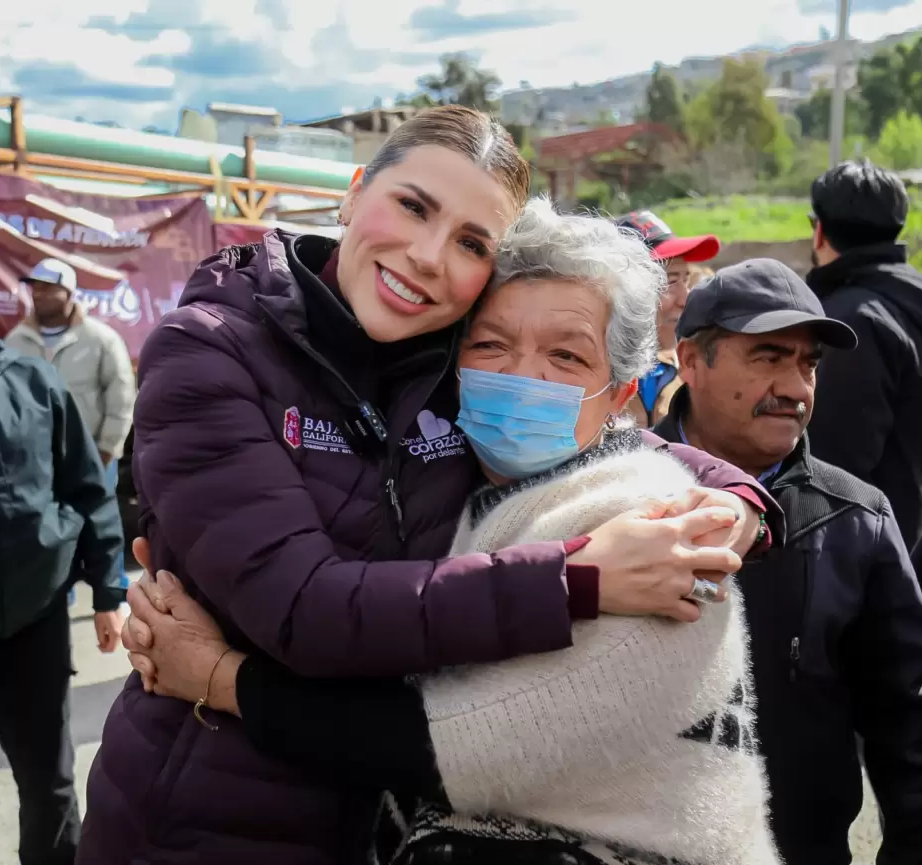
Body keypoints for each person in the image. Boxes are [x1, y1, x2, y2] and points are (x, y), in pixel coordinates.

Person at [79, 107, 780, 865]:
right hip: (208, 821)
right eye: (413, 205)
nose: (426, 256)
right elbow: (306, 609)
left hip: (373, 826)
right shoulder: (211, 353)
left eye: (472, 243)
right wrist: (577, 579)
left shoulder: (443, 359)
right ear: (352, 192)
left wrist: (737, 501)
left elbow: (607, 424)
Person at [652, 258, 922, 865]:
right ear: (691, 360)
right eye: (769, 358)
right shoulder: (618, 502)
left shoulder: (857, 521)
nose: (797, 389)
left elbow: (904, 724)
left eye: (808, 365)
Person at [0, 272, 125, 865]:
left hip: (33, 611)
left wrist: (109, 590)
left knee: (50, 781)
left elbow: (87, 488)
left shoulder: (33, 382)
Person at [804, 160, 922, 574]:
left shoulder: (850, 324)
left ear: (819, 230)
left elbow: (835, 468)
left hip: (883, 564)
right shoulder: (909, 297)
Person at [6, 257, 136, 593]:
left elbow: (121, 397)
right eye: (35, 288)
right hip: (35, 463)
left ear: (69, 294)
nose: (39, 295)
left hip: (93, 455)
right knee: (49, 532)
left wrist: (108, 448)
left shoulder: (101, 339)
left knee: (101, 526)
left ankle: (112, 593)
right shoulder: (16, 341)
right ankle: (57, 593)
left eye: (49, 289)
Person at [614, 211, 720, 427]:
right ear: (624, 292)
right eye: (670, 283)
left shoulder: (695, 368)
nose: (686, 299)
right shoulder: (584, 380)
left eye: (686, 280)